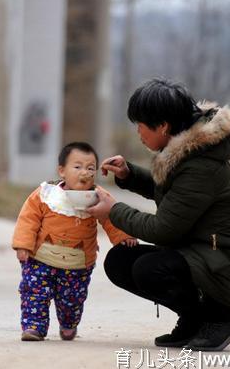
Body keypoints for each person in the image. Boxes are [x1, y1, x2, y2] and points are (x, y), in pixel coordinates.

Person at [86, 79, 230, 352]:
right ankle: (195, 320)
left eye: (141, 124)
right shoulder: (187, 152)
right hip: (206, 254)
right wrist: (129, 175)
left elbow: (163, 229)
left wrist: (114, 210)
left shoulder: (201, 166)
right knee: (120, 261)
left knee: (149, 269)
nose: (138, 132)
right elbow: (173, 196)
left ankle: (219, 318)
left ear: (163, 126)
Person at [12, 142, 138, 342]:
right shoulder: (46, 194)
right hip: (40, 259)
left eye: (90, 168)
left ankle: (69, 324)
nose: (84, 172)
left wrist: (124, 237)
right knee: (34, 292)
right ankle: (34, 326)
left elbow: (111, 218)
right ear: (61, 170)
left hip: (78, 263)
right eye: (77, 167)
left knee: (71, 299)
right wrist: (23, 245)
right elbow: (28, 219)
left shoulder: (98, 198)